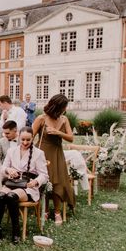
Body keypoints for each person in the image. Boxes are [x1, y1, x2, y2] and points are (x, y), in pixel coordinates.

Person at [0, 127, 48, 244]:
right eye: (22, 139)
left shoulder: (38, 153)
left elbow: (44, 175)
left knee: (11, 196)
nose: (25, 143)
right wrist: (9, 170)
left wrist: (36, 182)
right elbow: (3, 168)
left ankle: (16, 231)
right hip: (12, 182)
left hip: (28, 186)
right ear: (19, 137)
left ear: (33, 138)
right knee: (1, 195)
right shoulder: (11, 151)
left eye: (28, 140)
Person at [32, 93, 75, 225]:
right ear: (57, 107)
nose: (65, 110)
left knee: (57, 182)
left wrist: (58, 132)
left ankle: (57, 211)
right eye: (63, 107)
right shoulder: (41, 118)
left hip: (57, 153)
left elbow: (71, 137)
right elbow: (30, 136)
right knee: (45, 180)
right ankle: (44, 210)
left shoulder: (64, 119)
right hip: (42, 153)